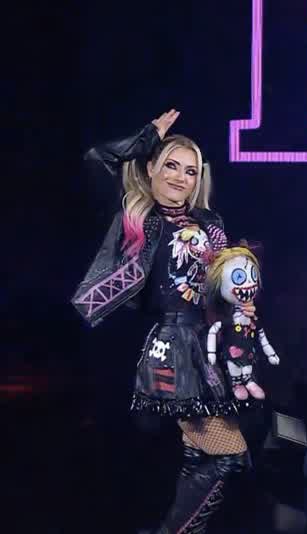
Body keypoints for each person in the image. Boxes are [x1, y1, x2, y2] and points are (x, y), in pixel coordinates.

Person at [72, 110, 255, 533]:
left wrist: (240, 298)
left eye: (190, 171)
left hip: (208, 347)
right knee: (227, 456)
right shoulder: (136, 217)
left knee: (200, 457)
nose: (180, 178)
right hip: (169, 347)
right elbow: (96, 158)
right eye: (171, 165)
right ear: (151, 167)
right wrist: (148, 136)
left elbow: (221, 284)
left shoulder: (210, 222)